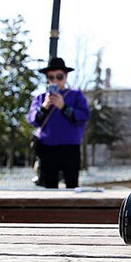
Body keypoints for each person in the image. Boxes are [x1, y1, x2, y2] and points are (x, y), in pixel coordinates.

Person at [28, 58, 89, 189]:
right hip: (47, 147)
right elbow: (33, 120)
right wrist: (44, 107)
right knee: (49, 186)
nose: (55, 80)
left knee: (72, 184)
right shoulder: (40, 98)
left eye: (59, 77)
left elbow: (83, 116)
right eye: (51, 77)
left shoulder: (76, 95)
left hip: (70, 147)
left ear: (66, 77)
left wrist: (63, 107)